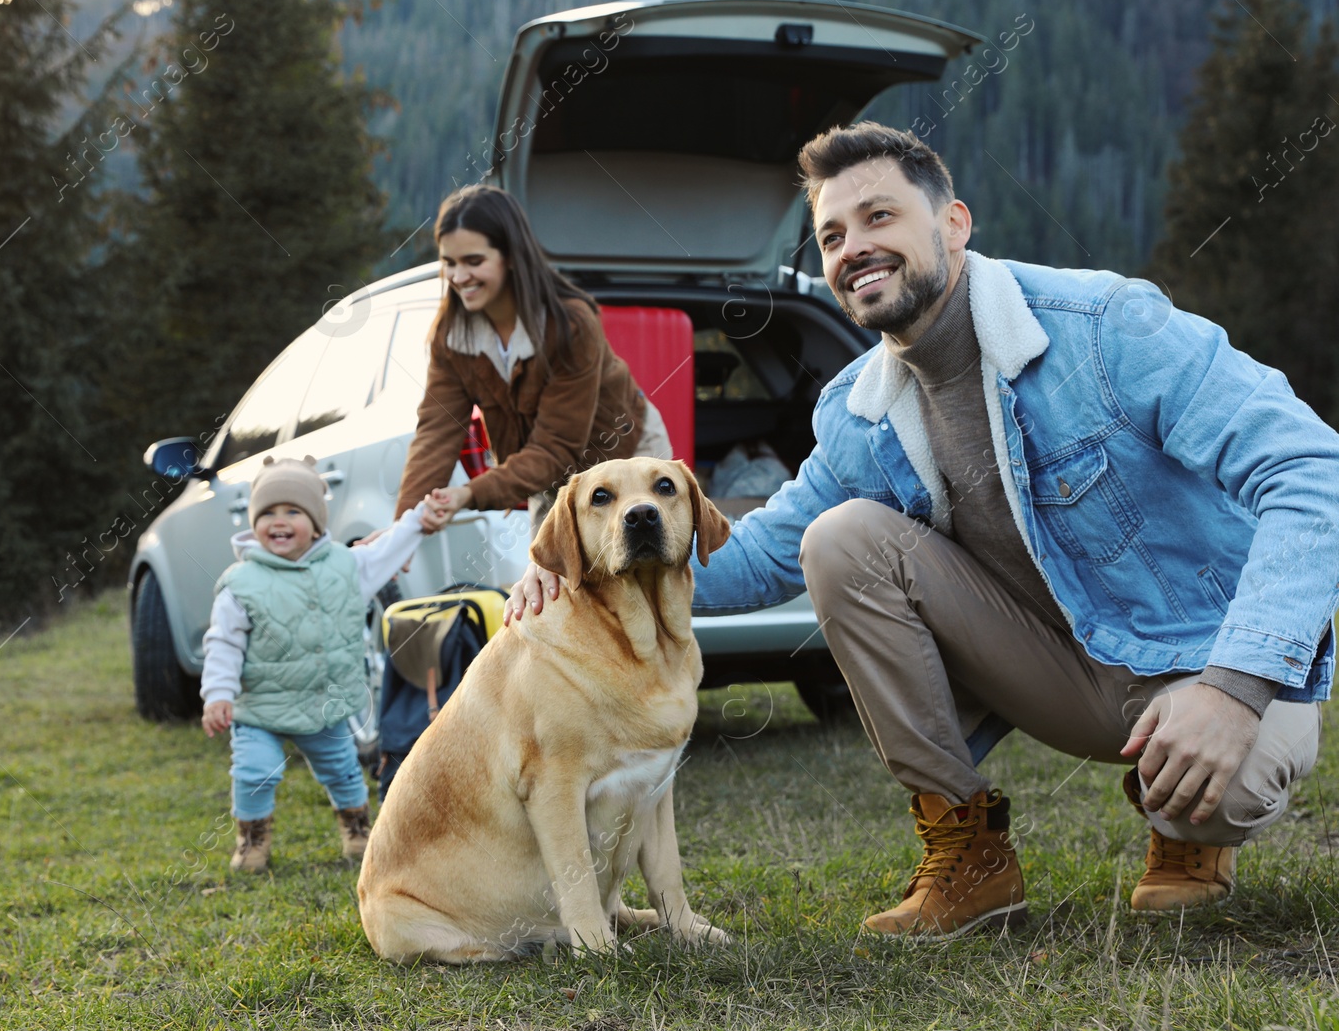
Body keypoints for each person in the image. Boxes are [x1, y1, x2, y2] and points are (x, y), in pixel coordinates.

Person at [509, 121, 1339, 939]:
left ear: (954, 224)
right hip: (1054, 667)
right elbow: (753, 556)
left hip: (1201, 658)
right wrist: (580, 564)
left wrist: (1236, 683)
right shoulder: (859, 414)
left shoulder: (1105, 325)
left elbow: (1312, 469)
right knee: (839, 540)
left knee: (1230, 789)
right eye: (831, 235)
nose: (853, 248)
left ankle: (1187, 825)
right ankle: (971, 854)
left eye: (879, 217)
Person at [200, 456, 451, 874]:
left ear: (316, 522)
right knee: (253, 772)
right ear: (254, 522)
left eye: (293, 511)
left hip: (324, 705)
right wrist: (218, 695)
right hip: (260, 707)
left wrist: (417, 520)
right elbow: (223, 642)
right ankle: (252, 842)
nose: (279, 521)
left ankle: (357, 832)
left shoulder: (346, 567)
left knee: (343, 771)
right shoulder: (240, 583)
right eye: (268, 513)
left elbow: (387, 551)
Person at [394, 185, 672, 526]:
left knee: (634, 571)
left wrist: (469, 493)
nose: (459, 276)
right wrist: (403, 526)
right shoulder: (451, 338)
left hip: (627, 459)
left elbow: (556, 447)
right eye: (449, 263)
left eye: (474, 261)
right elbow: (435, 434)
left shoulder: (571, 325)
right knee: (549, 577)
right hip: (547, 478)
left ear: (510, 256)